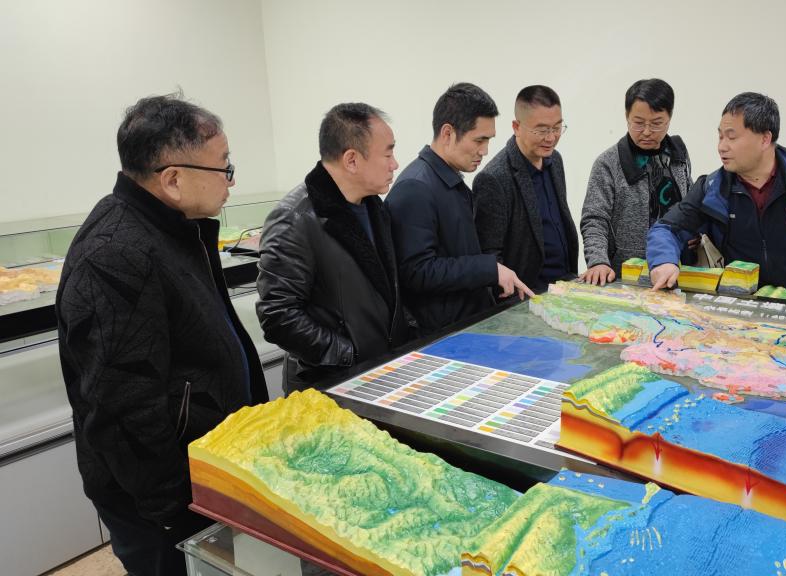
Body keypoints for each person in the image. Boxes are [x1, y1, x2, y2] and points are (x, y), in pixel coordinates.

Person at [55, 94, 268, 576]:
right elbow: (123, 410)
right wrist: (174, 509)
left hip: (204, 472)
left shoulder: (174, 230)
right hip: (163, 503)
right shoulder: (116, 254)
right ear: (172, 179)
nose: (231, 180)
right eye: (224, 167)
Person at [257, 103, 413, 393]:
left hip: (378, 371)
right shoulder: (294, 219)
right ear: (351, 160)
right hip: (329, 384)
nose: (395, 164)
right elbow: (278, 316)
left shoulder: (374, 207)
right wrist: (348, 354)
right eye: (388, 154)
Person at [647, 92, 786, 292]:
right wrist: (664, 261)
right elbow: (667, 228)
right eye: (720, 136)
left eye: (732, 137)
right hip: (745, 307)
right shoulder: (713, 189)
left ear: (765, 139)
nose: (722, 146)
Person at [387, 83, 533, 335]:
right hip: (441, 337)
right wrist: (488, 269)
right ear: (448, 133)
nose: (485, 151)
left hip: (468, 325)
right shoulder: (415, 187)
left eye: (488, 140)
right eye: (479, 140)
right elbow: (416, 272)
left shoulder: (449, 180)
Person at [580, 78, 693, 285]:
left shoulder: (679, 156)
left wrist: (696, 232)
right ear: (627, 117)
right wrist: (598, 261)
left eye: (656, 123)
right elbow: (595, 218)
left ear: (669, 119)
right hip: (628, 276)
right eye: (639, 123)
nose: (647, 132)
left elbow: (690, 205)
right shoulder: (608, 163)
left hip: (678, 270)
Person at [473, 85, 578, 295]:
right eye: (542, 130)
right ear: (516, 127)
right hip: (528, 296)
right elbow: (490, 257)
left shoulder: (555, 160)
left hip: (565, 286)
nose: (551, 138)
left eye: (557, 128)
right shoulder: (494, 178)